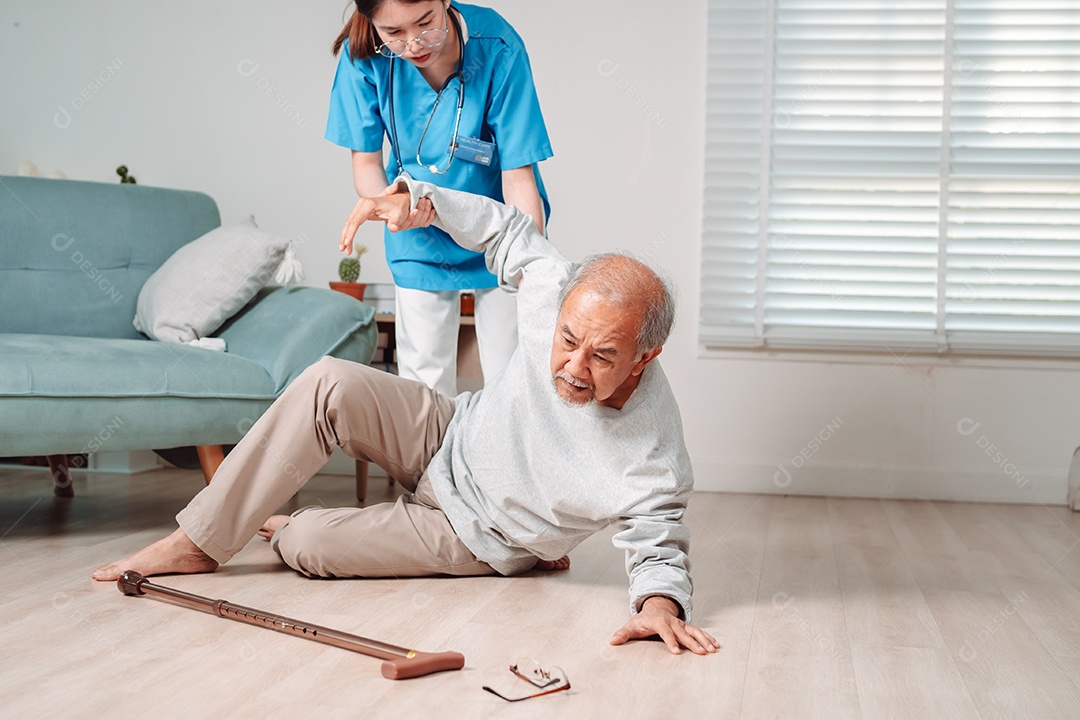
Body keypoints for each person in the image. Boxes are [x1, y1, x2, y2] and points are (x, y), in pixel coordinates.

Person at [93, 176, 716, 656]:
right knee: (328, 381)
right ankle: (200, 540)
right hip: (449, 433)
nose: (574, 366)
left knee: (306, 542)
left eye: (603, 355)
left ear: (645, 356)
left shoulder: (652, 450)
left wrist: (660, 608)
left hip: (483, 535)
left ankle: (283, 523)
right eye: (568, 339)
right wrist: (419, 200)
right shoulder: (556, 289)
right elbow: (504, 229)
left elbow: (658, 542)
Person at [328, 0, 553, 396]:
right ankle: (434, 462)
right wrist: (392, 204)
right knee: (424, 388)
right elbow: (366, 165)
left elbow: (518, 176)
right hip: (418, 226)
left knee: (514, 380)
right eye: (393, 34)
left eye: (426, 23)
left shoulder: (496, 45)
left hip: (498, 228)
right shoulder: (362, 54)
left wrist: (527, 265)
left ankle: (505, 459)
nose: (414, 44)